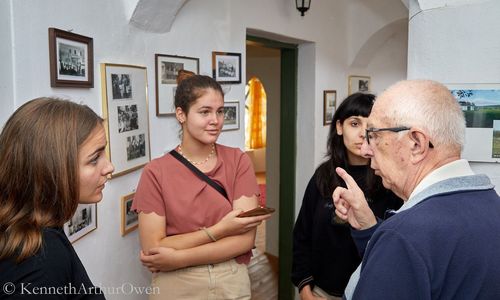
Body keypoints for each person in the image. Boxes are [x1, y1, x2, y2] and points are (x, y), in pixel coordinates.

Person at [333, 80, 500, 299]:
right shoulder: (492, 205)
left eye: (373, 135)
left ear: (416, 144)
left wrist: (389, 238)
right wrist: (369, 229)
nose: (365, 149)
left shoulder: (403, 236)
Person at [132, 73, 272, 300]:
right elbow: (153, 247)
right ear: (181, 115)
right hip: (177, 285)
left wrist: (178, 257)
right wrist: (221, 230)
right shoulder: (156, 172)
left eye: (220, 111)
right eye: (205, 112)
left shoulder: (238, 161)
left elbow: (245, 240)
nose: (215, 120)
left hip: (230, 280)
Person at [0, 98, 114, 299]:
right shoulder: (40, 261)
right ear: (50, 169)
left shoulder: (35, 231)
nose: (109, 167)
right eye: (94, 159)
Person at [291, 93, 402, 300]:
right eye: (354, 124)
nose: (363, 133)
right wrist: (304, 287)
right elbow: (302, 236)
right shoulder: (323, 176)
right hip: (319, 292)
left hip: (369, 292)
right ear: (340, 127)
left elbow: (395, 247)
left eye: (370, 126)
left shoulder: (389, 179)